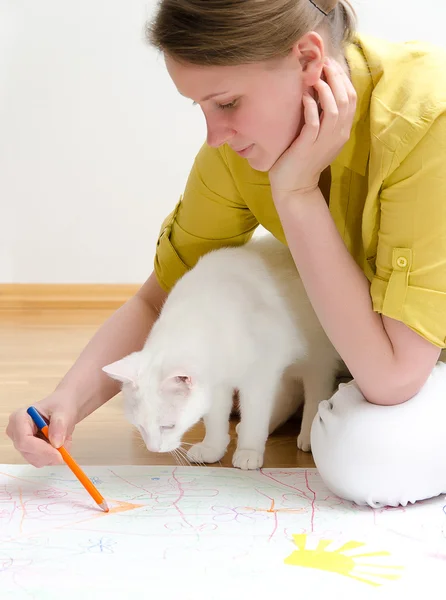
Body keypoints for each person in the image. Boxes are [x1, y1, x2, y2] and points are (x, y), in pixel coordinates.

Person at [7, 0, 446, 507]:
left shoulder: (425, 119)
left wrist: (296, 194)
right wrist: (63, 403)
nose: (214, 136)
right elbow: (159, 300)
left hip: (405, 359)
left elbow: (393, 378)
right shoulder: (233, 155)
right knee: (232, 381)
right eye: (200, 107)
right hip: (376, 351)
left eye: (227, 103)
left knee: (367, 457)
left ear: (308, 59)